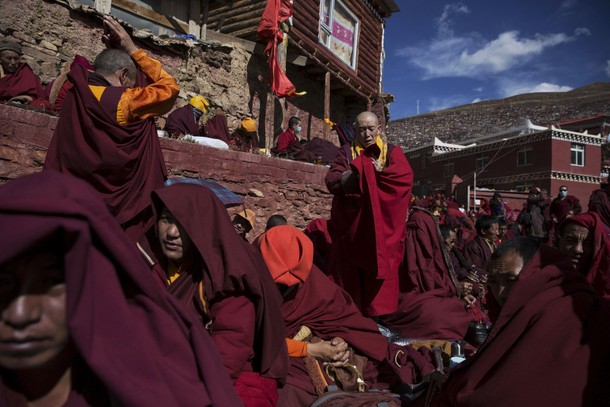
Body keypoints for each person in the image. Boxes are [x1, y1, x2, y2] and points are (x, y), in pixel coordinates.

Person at [0, 172, 242, 407]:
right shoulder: (143, 265)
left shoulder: (152, 379)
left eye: (51, 282)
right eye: (4, 284)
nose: (20, 313)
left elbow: (231, 345)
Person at [137, 183, 288, 406]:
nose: (171, 233)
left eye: (182, 223)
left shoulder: (224, 275)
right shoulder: (147, 262)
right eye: (166, 219)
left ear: (202, 227)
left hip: (203, 374)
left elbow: (230, 344)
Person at [255, 226, 434, 406]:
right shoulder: (246, 289)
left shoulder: (314, 285)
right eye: (277, 283)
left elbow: (345, 320)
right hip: (280, 357)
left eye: (291, 285)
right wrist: (309, 349)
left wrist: (339, 341)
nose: (283, 290)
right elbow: (253, 341)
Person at [428, 237, 610, 406]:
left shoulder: (578, 311)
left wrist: (453, 385)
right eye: (493, 282)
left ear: (540, 275)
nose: (501, 293)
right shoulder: (522, 314)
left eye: (511, 280)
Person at [43, 16, 178, 242]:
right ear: (123, 75)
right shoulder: (124, 101)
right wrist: (133, 49)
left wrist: (118, 52)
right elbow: (170, 88)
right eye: (133, 82)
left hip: (72, 202)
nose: (135, 88)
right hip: (120, 210)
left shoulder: (75, 94)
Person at [325, 111, 413, 317]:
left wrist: (381, 173)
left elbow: (404, 177)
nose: (366, 134)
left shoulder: (391, 152)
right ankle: (350, 313)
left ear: (379, 129)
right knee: (349, 274)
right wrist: (358, 174)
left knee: (382, 271)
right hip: (353, 228)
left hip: (382, 226)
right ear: (355, 131)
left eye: (371, 128)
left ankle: (380, 314)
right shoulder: (346, 152)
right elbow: (332, 179)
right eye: (361, 129)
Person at [378, 208, 485, 342]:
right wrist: (456, 290)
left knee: (451, 308)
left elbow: (434, 281)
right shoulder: (417, 244)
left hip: (406, 304)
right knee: (442, 312)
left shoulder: (398, 242)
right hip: (410, 305)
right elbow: (430, 282)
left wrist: (459, 291)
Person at [557, 212, 610, 298]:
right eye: (570, 240)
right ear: (561, 243)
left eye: (587, 243)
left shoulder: (602, 289)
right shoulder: (547, 276)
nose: (578, 249)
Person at [0, 40, 48, 107]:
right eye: (8, 58)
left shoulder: (25, 71)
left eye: (16, 59)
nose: (13, 62)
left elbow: (34, 96)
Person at [463, 214, 499, 279]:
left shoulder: (493, 244)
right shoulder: (473, 246)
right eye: (494, 230)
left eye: (498, 229)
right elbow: (474, 268)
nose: (497, 233)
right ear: (483, 231)